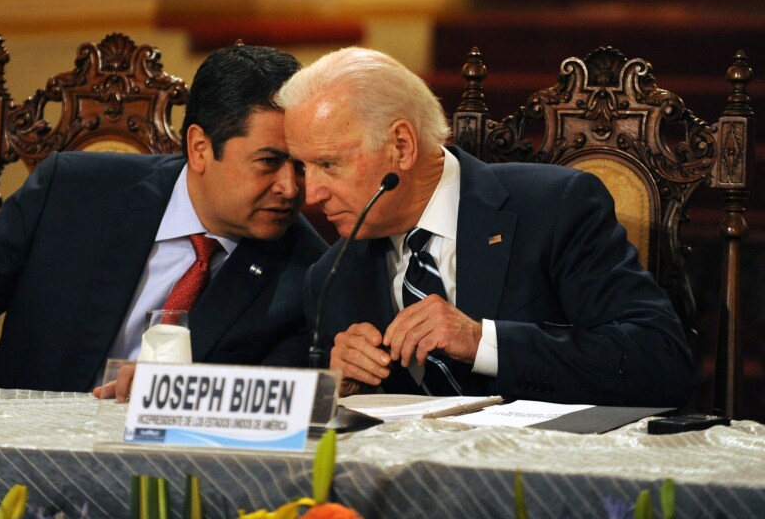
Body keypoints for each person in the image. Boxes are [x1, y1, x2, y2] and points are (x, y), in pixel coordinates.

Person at [0, 44, 327, 393]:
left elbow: (276, 403)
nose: (291, 188)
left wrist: (177, 392)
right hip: (21, 469)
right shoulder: (70, 194)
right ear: (199, 148)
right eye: (269, 162)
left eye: (302, 165)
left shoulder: (310, 272)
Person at [276, 46, 697, 407]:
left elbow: (661, 364)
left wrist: (484, 342)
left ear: (401, 146)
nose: (310, 195)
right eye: (302, 166)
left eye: (328, 164)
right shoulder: (331, 276)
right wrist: (336, 390)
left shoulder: (553, 208)